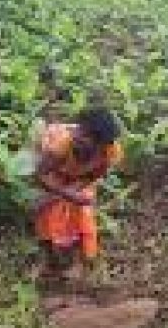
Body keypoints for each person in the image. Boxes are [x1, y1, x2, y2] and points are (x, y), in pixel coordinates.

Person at [34, 105, 123, 279]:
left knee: (82, 215)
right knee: (47, 213)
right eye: (79, 129)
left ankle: (79, 260)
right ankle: (50, 259)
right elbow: (41, 175)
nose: (78, 137)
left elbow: (96, 174)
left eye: (86, 136)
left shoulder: (111, 151)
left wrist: (73, 191)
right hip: (53, 171)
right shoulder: (60, 144)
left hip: (79, 177)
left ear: (101, 144)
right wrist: (62, 194)